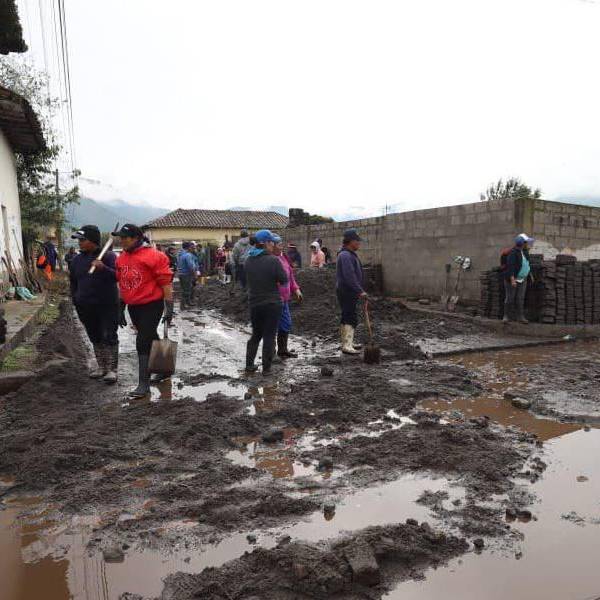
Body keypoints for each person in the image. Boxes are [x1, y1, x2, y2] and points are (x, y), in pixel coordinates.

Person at [112, 224, 174, 398]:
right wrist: (121, 306)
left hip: (151, 304)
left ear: (136, 238)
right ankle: (164, 370)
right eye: (120, 238)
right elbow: (123, 283)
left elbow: (166, 283)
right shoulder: (121, 258)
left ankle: (143, 384)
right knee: (150, 336)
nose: (122, 241)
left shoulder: (155, 256)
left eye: (125, 238)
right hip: (134, 306)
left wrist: (169, 307)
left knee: (142, 341)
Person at [69, 225, 120, 383]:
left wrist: (103, 268)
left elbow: (117, 276)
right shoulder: (76, 260)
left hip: (107, 304)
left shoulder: (109, 257)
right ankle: (102, 367)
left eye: (83, 239)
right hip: (85, 306)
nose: (79, 242)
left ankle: (112, 370)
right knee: (95, 336)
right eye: (79, 240)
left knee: (109, 335)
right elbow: (73, 282)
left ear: (92, 240)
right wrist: (75, 299)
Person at [244, 229, 288, 374]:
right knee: (269, 335)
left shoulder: (248, 260)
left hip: (255, 303)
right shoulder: (273, 260)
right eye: (272, 242)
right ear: (266, 243)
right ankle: (266, 369)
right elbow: (284, 280)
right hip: (272, 304)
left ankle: (249, 365)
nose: (273, 245)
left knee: (256, 334)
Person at [336, 229, 367, 355]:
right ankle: (347, 345)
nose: (359, 243)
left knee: (347, 315)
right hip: (347, 291)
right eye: (357, 241)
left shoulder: (349, 254)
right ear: (351, 241)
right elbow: (349, 276)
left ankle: (347, 342)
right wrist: (360, 291)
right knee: (350, 316)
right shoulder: (345, 255)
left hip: (348, 290)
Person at [272, 236, 302, 358]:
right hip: (274, 299)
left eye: (281, 244)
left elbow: (290, 276)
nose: (281, 246)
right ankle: (271, 352)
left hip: (285, 298)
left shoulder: (283, 258)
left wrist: (296, 289)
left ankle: (283, 350)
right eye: (278, 244)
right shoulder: (270, 260)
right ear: (272, 246)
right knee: (273, 325)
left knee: (286, 323)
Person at [503, 233, 534, 324]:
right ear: (522, 243)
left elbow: (526, 264)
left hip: (522, 279)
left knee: (520, 298)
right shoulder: (513, 253)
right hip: (512, 279)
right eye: (526, 242)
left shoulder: (525, 252)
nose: (527, 244)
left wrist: (530, 275)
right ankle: (506, 316)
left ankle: (520, 316)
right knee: (510, 298)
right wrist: (512, 280)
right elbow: (510, 267)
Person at [177, 242, 198, 309]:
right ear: (188, 247)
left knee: (186, 288)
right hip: (186, 274)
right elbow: (190, 266)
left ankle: (187, 303)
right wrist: (195, 274)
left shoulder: (180, 254)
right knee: (186, 290)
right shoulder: (188, 255)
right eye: (191, 247)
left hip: (181, 273)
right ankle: (183, 305)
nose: (192, 248)